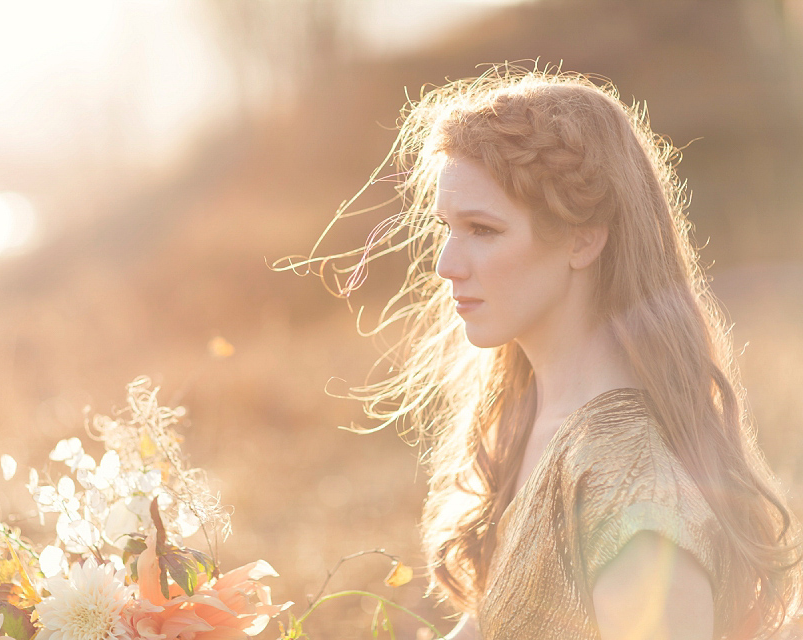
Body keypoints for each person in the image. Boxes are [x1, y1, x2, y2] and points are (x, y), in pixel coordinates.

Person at [279, 66, 803, 638]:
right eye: (447, 228)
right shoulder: (537, 420)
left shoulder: (635, 496)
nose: (445, 264)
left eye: (483, 229)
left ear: (584, 238)